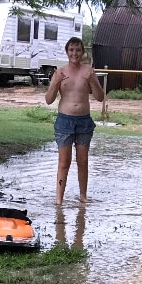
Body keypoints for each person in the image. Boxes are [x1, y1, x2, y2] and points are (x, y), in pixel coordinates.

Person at [45, 37, 105, 205]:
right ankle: (59, 199)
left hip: (84, 121)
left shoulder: (88, 71)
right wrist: (55, 82)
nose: (75, 53)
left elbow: (100, 98)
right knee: (64, 162)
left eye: (78, 50)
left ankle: (83, 196)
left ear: (82, 52)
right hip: (65, 121)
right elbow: (49, 100)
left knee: (83, 161)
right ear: (67, 52)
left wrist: (92, 80)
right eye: (71, 50)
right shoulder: (60, 72)